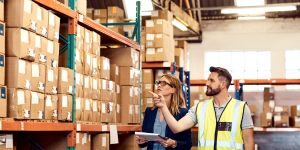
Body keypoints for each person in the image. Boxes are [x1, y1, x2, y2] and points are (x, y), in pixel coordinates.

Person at [152, 67, 254, 150]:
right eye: (208, 80)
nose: (207, 83)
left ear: (223, 84)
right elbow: (176, 128)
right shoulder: (200, 108)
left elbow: (249, 143)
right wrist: (163, 106)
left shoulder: (241, 108)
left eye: (211, 80)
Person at [136, 74, 192, 150]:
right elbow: (145, 141)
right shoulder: (149, 111)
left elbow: (187, 144)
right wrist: (142, 142)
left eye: (164, 83)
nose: (159, 85)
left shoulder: (182, 113)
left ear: (173, 89)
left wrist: (174, 143)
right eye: (158, 82)